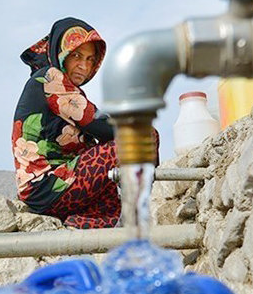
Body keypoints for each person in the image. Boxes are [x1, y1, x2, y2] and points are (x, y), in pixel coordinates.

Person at [11, 17, 158, 229]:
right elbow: (101, 126)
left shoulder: (65, 86)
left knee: (113, 197)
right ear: (61, 54)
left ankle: (83, 223)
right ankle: (144, 207)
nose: (84, 66)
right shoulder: (50, 78)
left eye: (90, 59)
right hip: (48, 186)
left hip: (53, 188)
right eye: (76, 56)